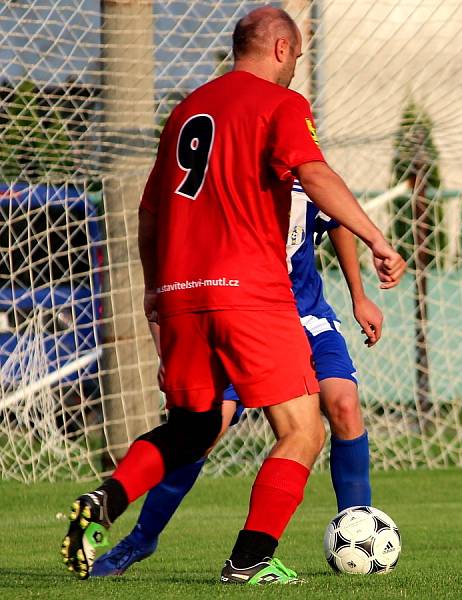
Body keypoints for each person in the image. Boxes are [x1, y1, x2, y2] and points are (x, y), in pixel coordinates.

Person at [60, 5, 405, 585]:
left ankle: (107, 500)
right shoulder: (281, 104)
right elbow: (315, 175)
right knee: (301, 429)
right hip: (249, 293)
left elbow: (149, 215)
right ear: (279, 49)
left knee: (193, 429)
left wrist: (153, 292)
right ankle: (249, 561)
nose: (295, 66)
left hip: (179, 294)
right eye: (295, 55)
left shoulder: (185, 110)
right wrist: (377, 238)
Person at [91, 182, 384, 577]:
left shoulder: (307, 173)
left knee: (344, 405)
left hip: (306, 316)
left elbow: (337, 221)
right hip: (245, 318)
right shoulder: (231, 178)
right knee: (206, 430)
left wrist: (359, 295)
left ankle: (357, 530)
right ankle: (142, 538)